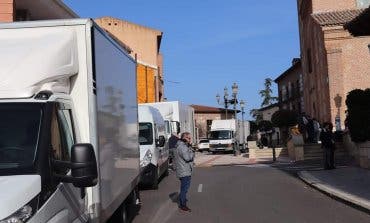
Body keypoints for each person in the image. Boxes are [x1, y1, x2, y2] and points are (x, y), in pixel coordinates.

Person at [174, 132, 195, 212]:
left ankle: (182, 202)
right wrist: (192, 152)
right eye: (189, 138)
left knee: (185, 188)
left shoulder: (182, 146)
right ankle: (183, 205)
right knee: (184, 189)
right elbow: (187, 158)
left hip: (184, 170)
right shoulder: (182, 147)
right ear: (184, 138)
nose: (190, 140)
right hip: (184, 171)